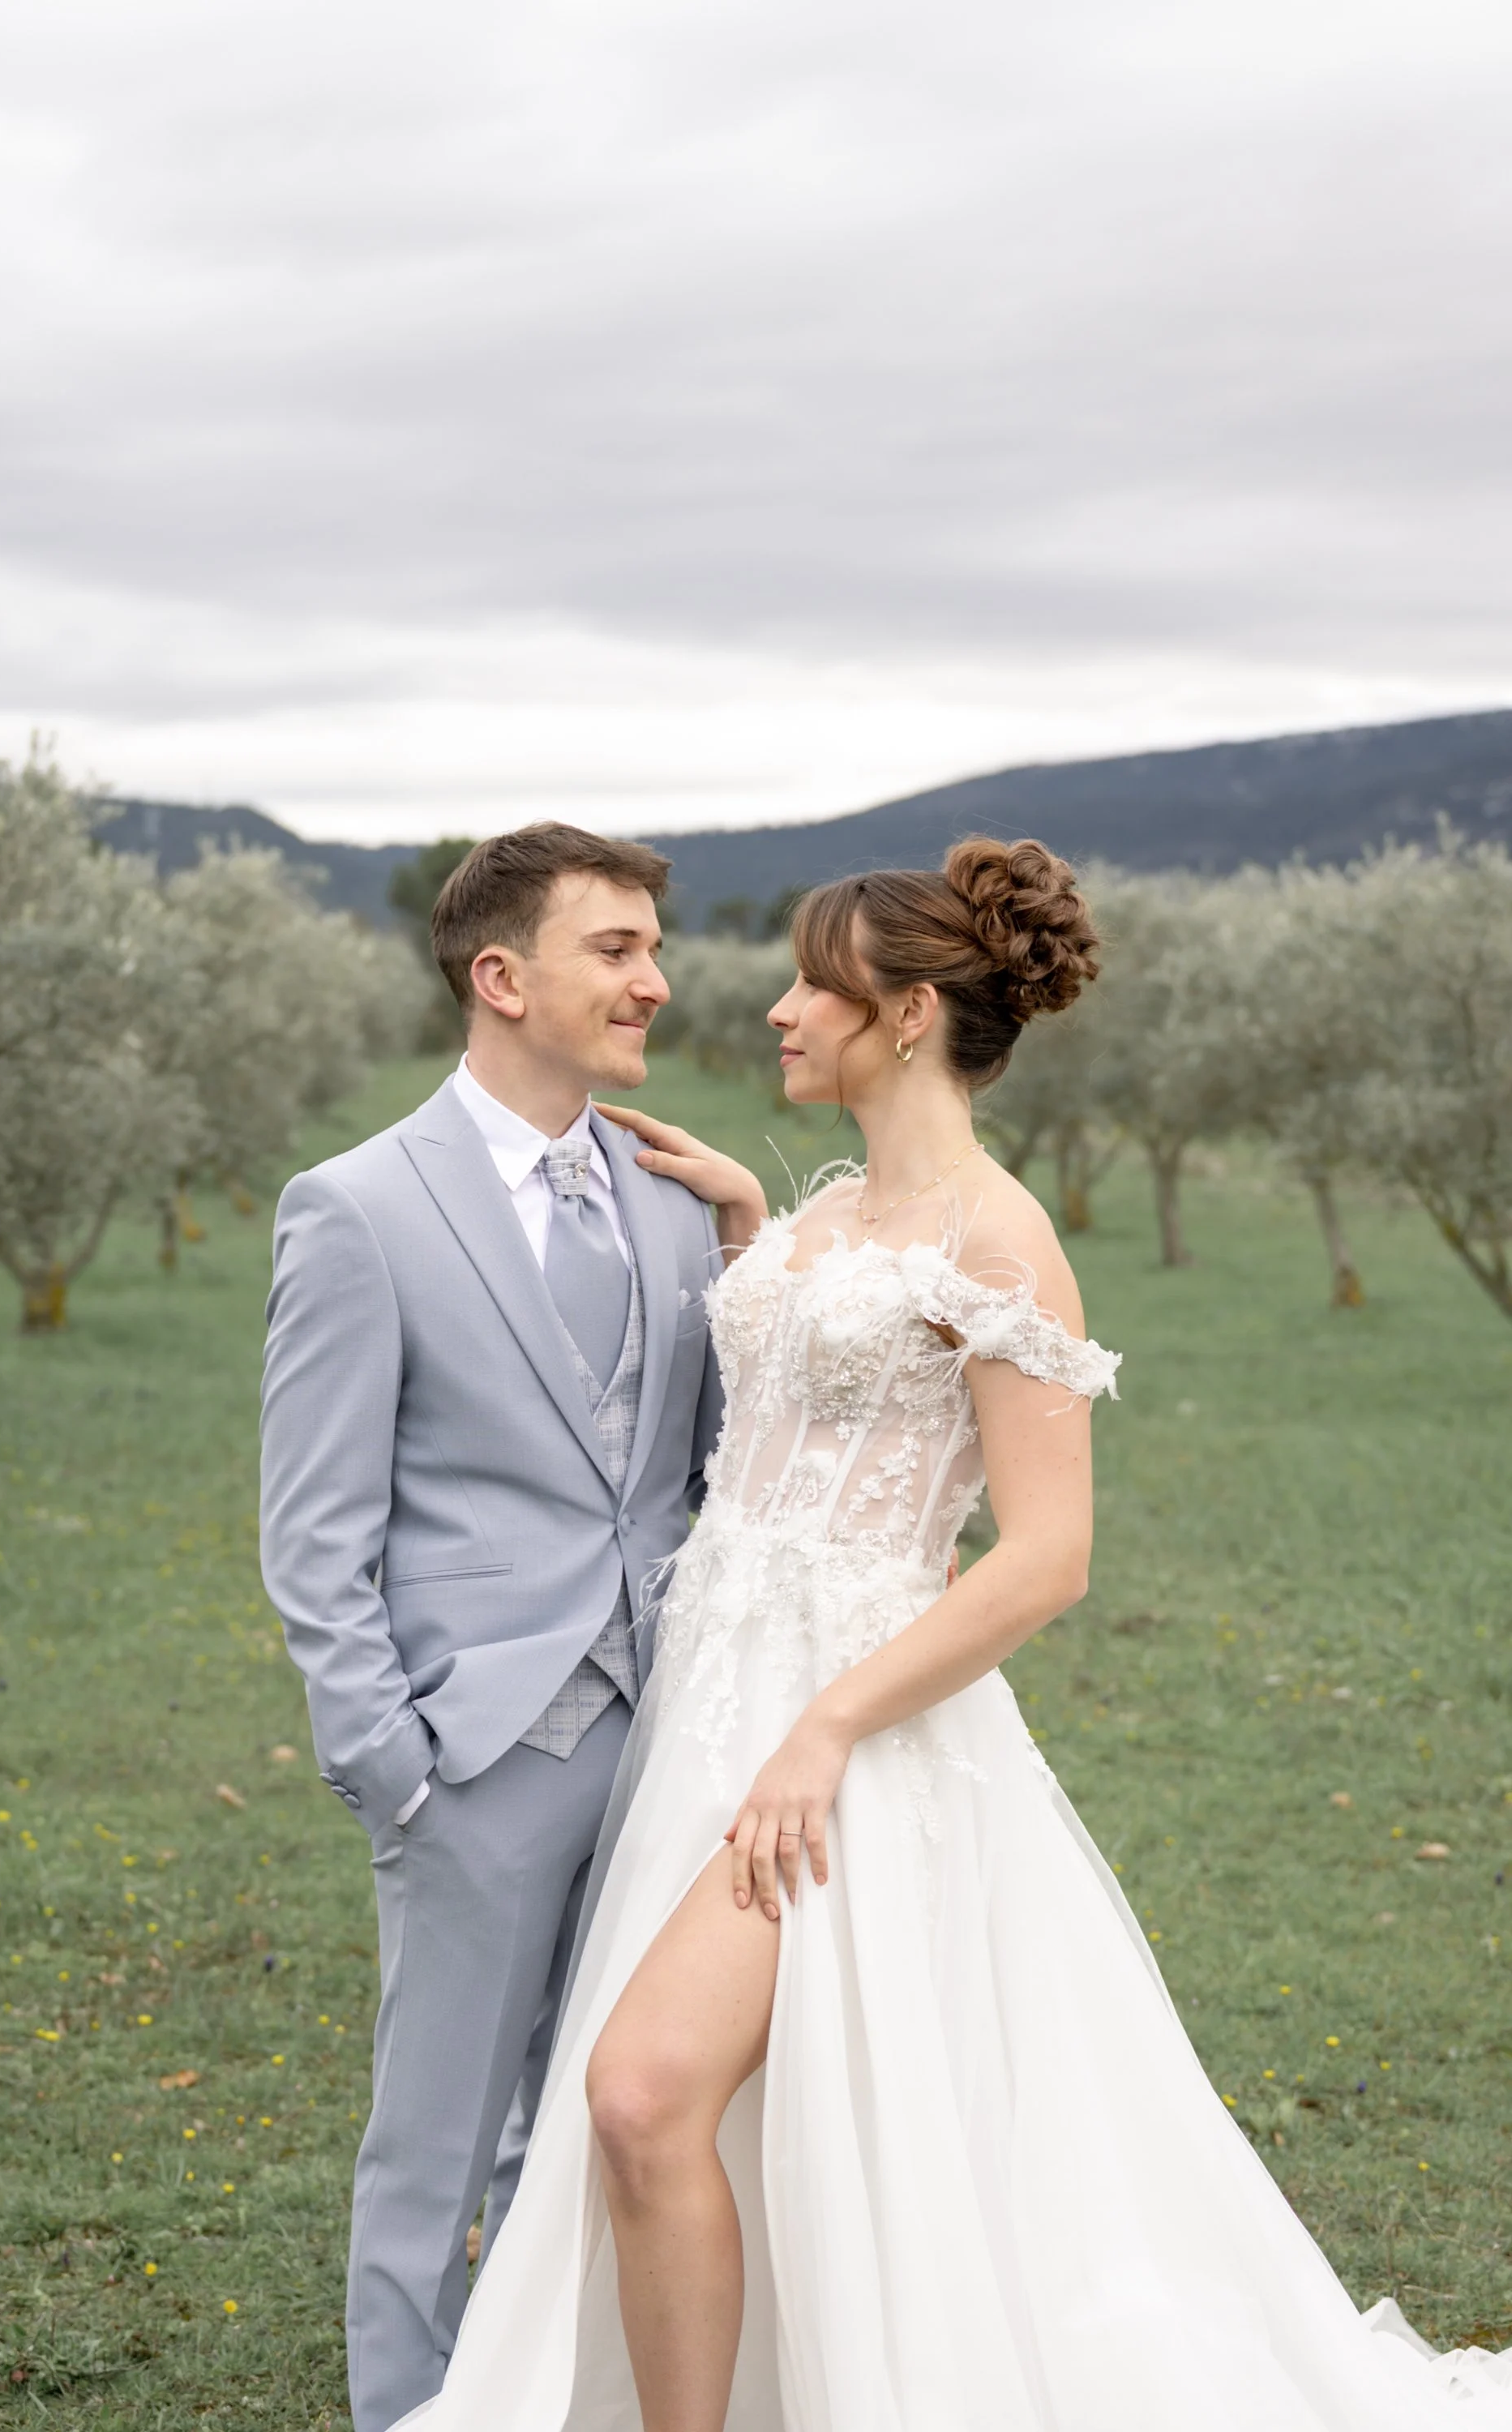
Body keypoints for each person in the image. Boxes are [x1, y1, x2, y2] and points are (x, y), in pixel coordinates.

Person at [397, 836, 1512, 2432]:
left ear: (908, 1013)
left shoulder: (1001, 1238)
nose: (776, 1009)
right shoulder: (829, 1209)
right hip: (707, 1703)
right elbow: (798, 1408)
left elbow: (1046, 1556)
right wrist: (746, 1235)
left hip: (841, 1737)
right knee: (707, 2120)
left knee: (644, 2094)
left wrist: (830, 1728)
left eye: (813, 985)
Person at [259, 824, 761, 2432]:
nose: (654, 982)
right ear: (500, 975)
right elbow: (313, 1528)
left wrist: (749, 1239)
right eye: (613, 949)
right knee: (436, 2152)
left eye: (649, 947)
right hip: (470, 1752)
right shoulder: (356, 1211)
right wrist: (387, 1760)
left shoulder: (674, 1201)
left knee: (600, 2126)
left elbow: (700, 1474)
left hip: (663, 1738)